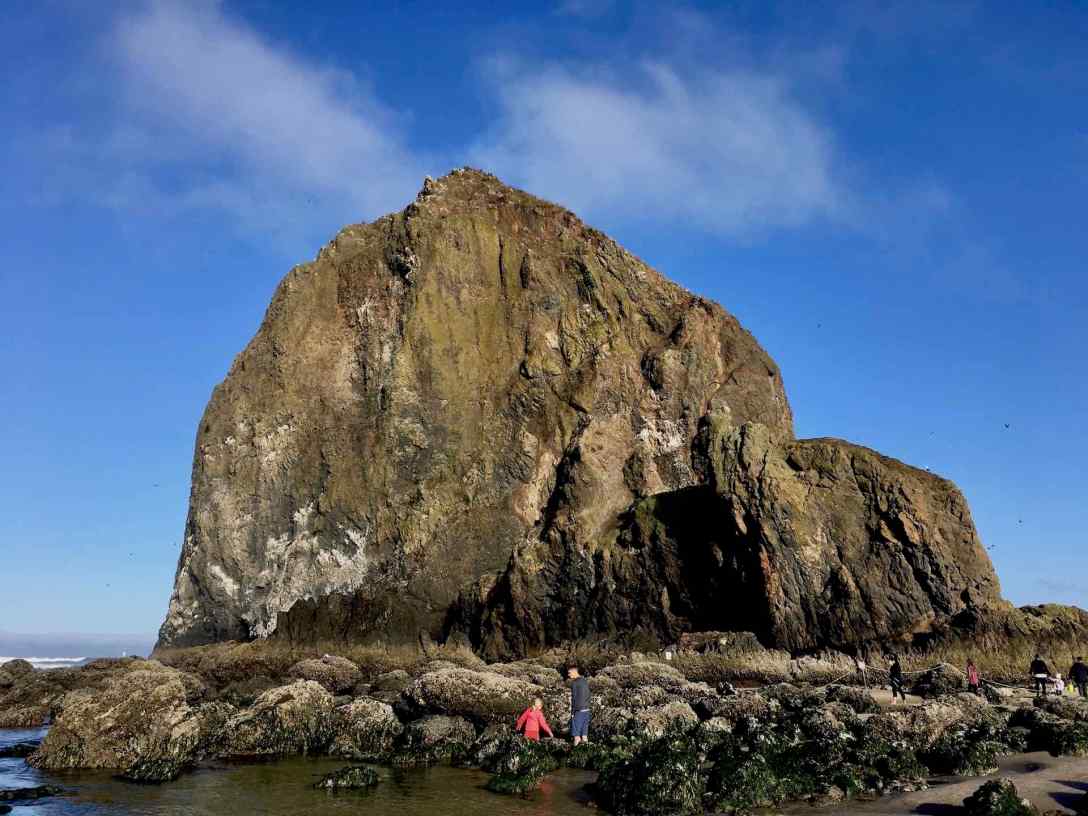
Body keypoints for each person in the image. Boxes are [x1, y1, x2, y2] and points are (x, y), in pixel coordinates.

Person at [568, 665, 591, 745]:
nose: (568, 674)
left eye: (570, 673)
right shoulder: (585, 681)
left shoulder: (574, 683)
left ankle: (574, 755)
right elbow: (588, 694)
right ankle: (587, 752)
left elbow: (574, 698)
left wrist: (572, 713)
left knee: (576, 736)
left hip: (579, 711)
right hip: (587, 710)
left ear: (575, 672)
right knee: (584, 736)